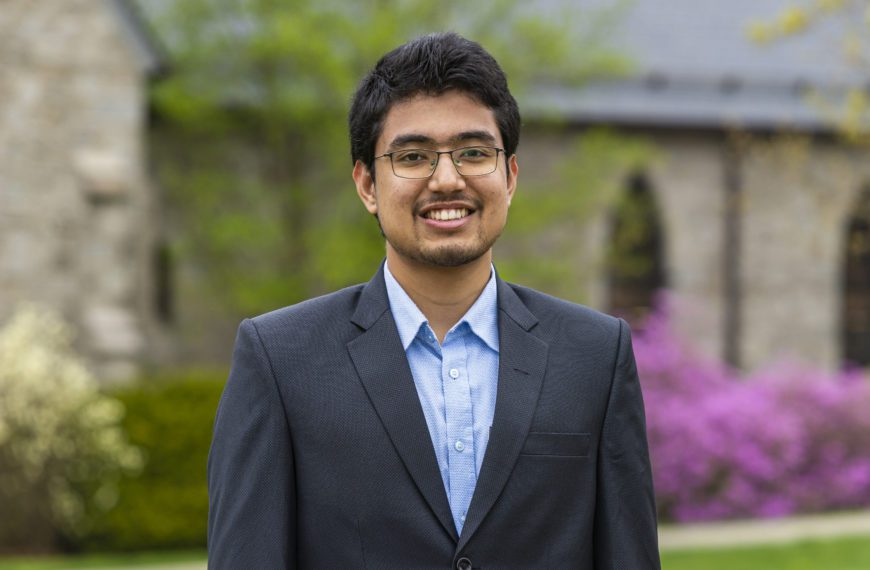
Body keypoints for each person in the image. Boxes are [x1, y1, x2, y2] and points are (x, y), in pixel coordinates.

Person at [207, 32, 660, 569]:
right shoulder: (280, 360)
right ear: (367, 184)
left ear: (510, 176)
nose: (447, 180)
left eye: (473, 152)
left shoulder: (594, 355)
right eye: (413, 156)